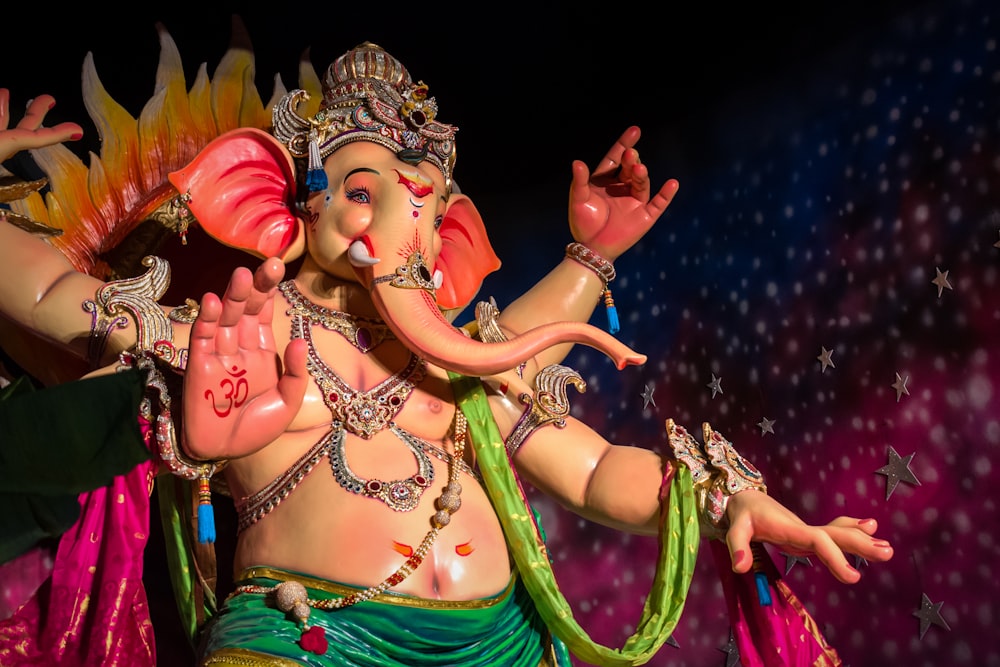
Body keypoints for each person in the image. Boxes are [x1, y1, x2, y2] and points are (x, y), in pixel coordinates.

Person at [0, 30, 892, 667]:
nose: (397, 224)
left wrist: (724, 493)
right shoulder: (241, 333)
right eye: (361, 190)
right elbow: (49, 298)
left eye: (422, 205)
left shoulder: (457, 373)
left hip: (499, 645)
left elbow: (590, 472)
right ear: (278, 203)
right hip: (306, 642)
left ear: (447, 234)